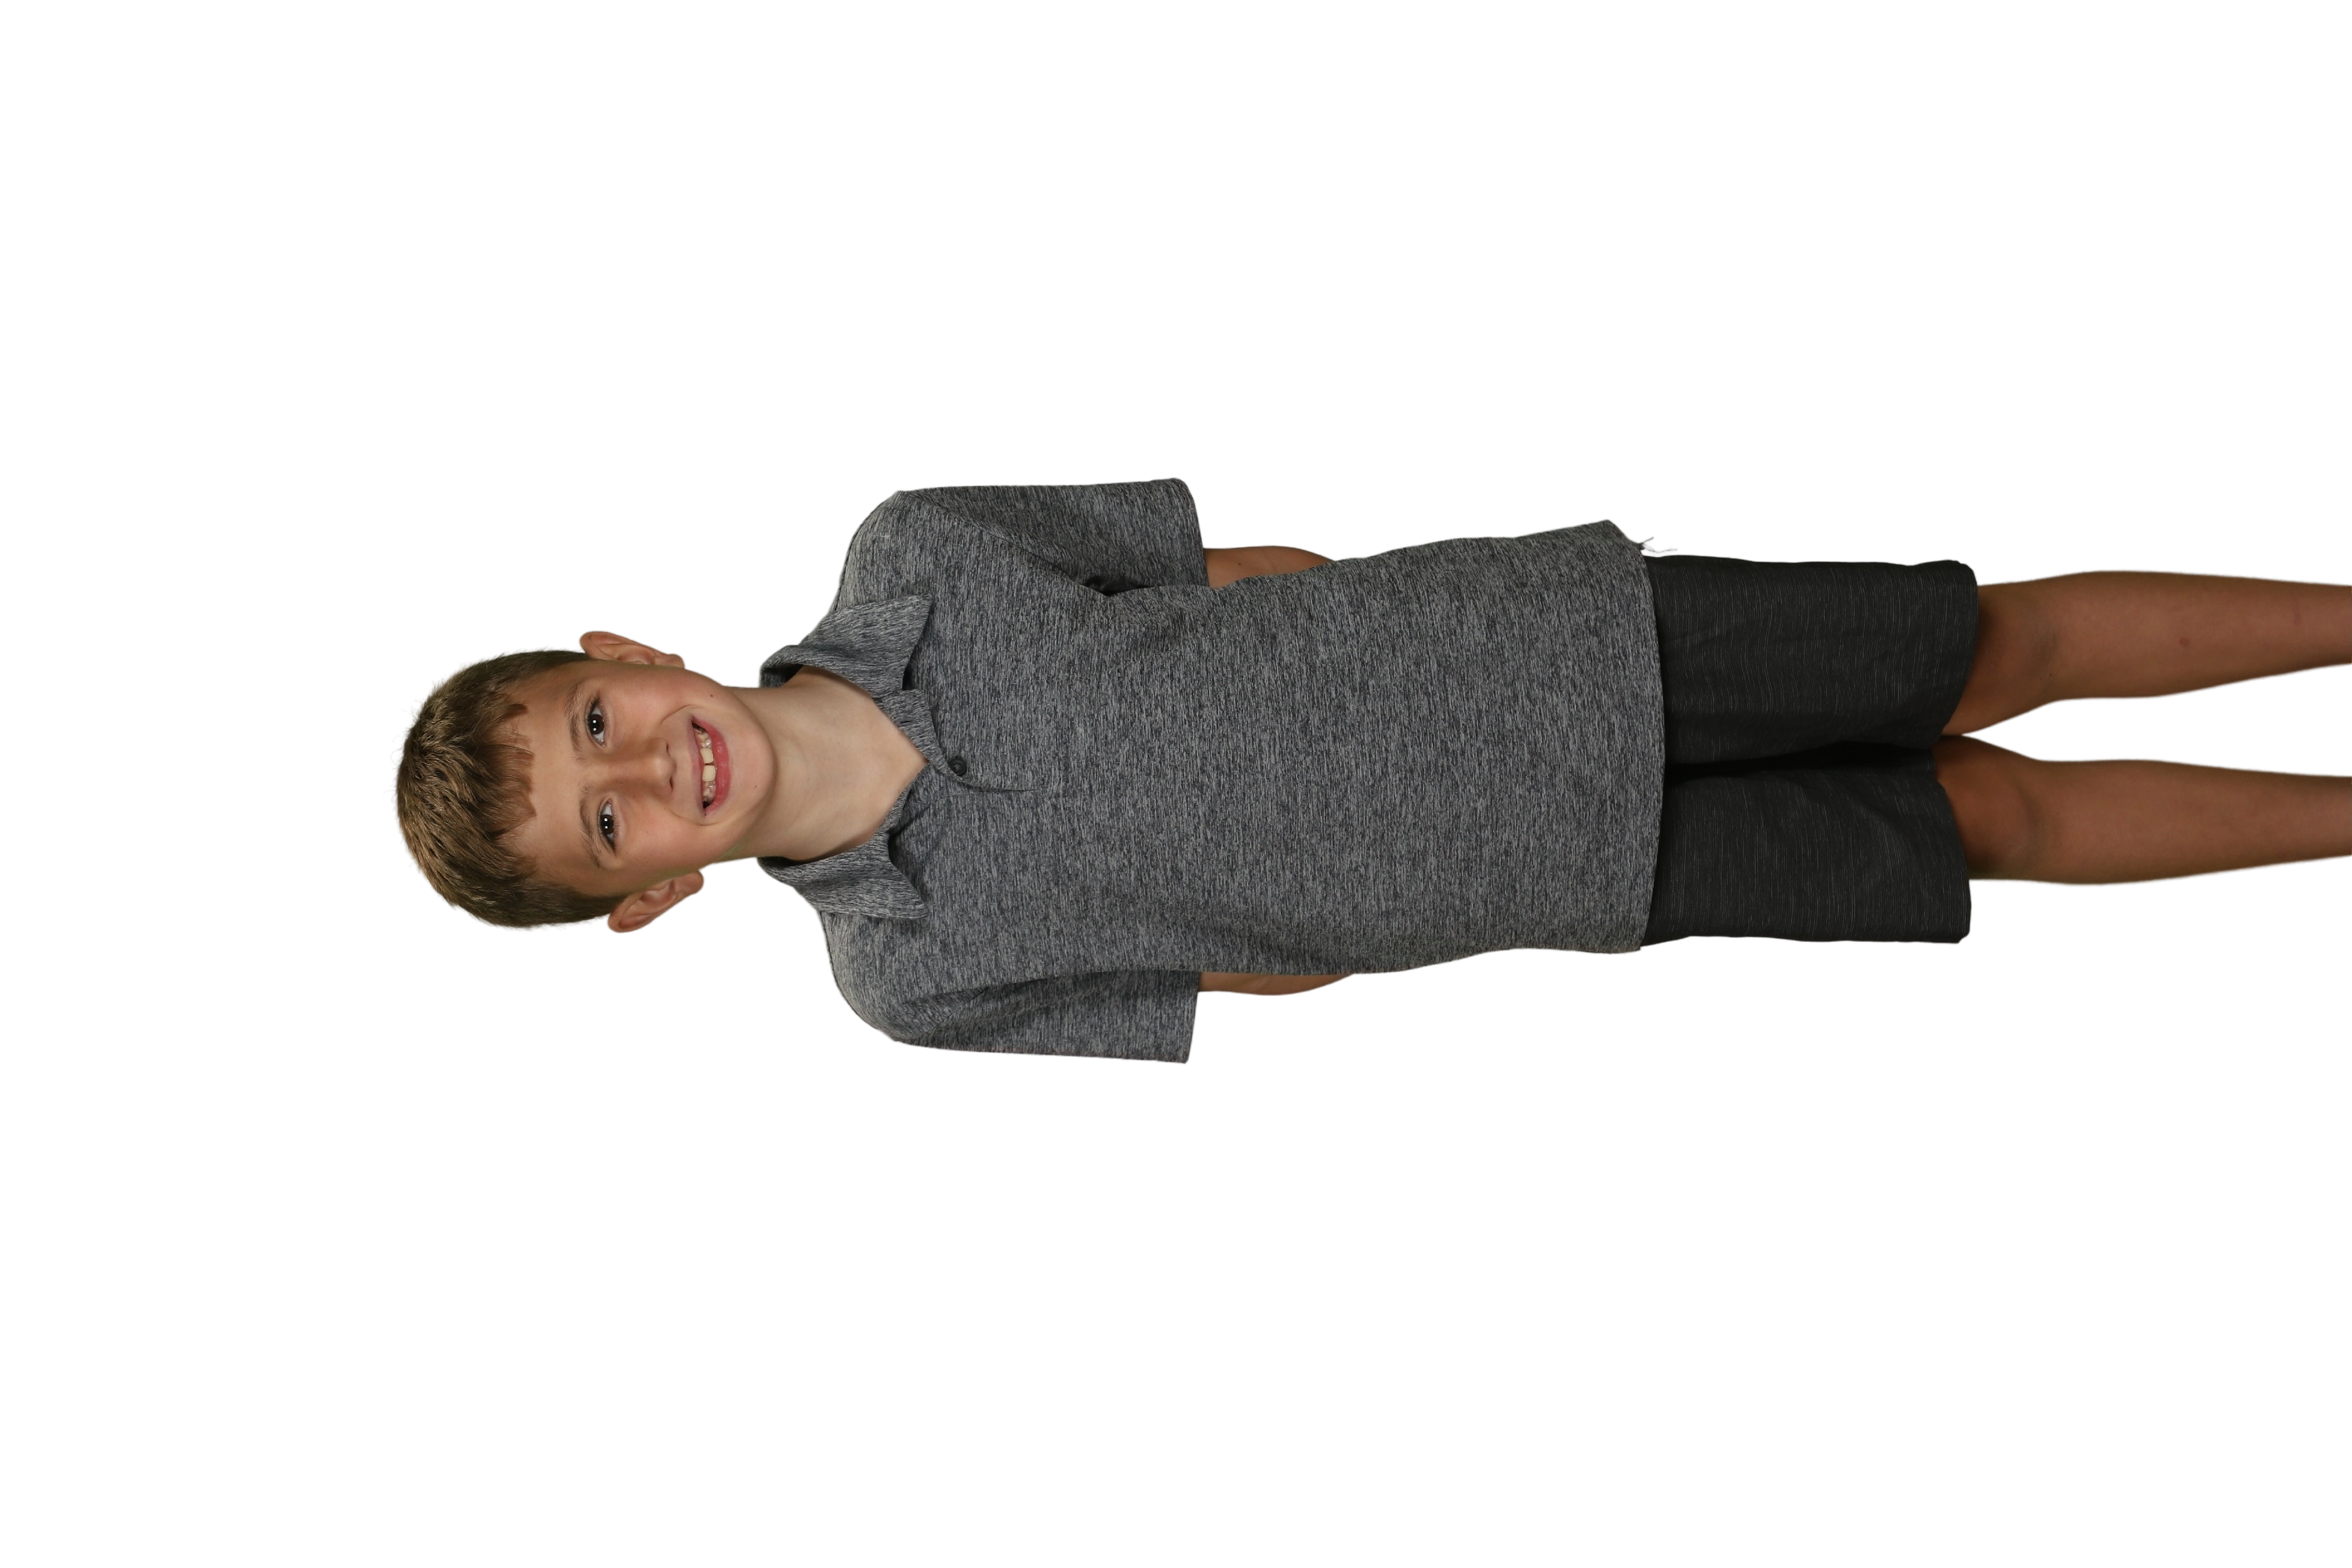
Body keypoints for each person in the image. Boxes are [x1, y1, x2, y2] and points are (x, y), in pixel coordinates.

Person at [381, 476, 2352, 1066]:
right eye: (607, 823)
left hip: (1569, 641)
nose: (646, 769)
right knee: (1986, 819)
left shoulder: (917, 553)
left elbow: (1214, 560)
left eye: (594, 723)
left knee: (1997, 644)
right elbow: (1208, 989)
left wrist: (1412, 641)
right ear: (646, 898)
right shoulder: (905, 979)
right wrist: (1400, 899)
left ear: (625, 653)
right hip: (1564, 879)